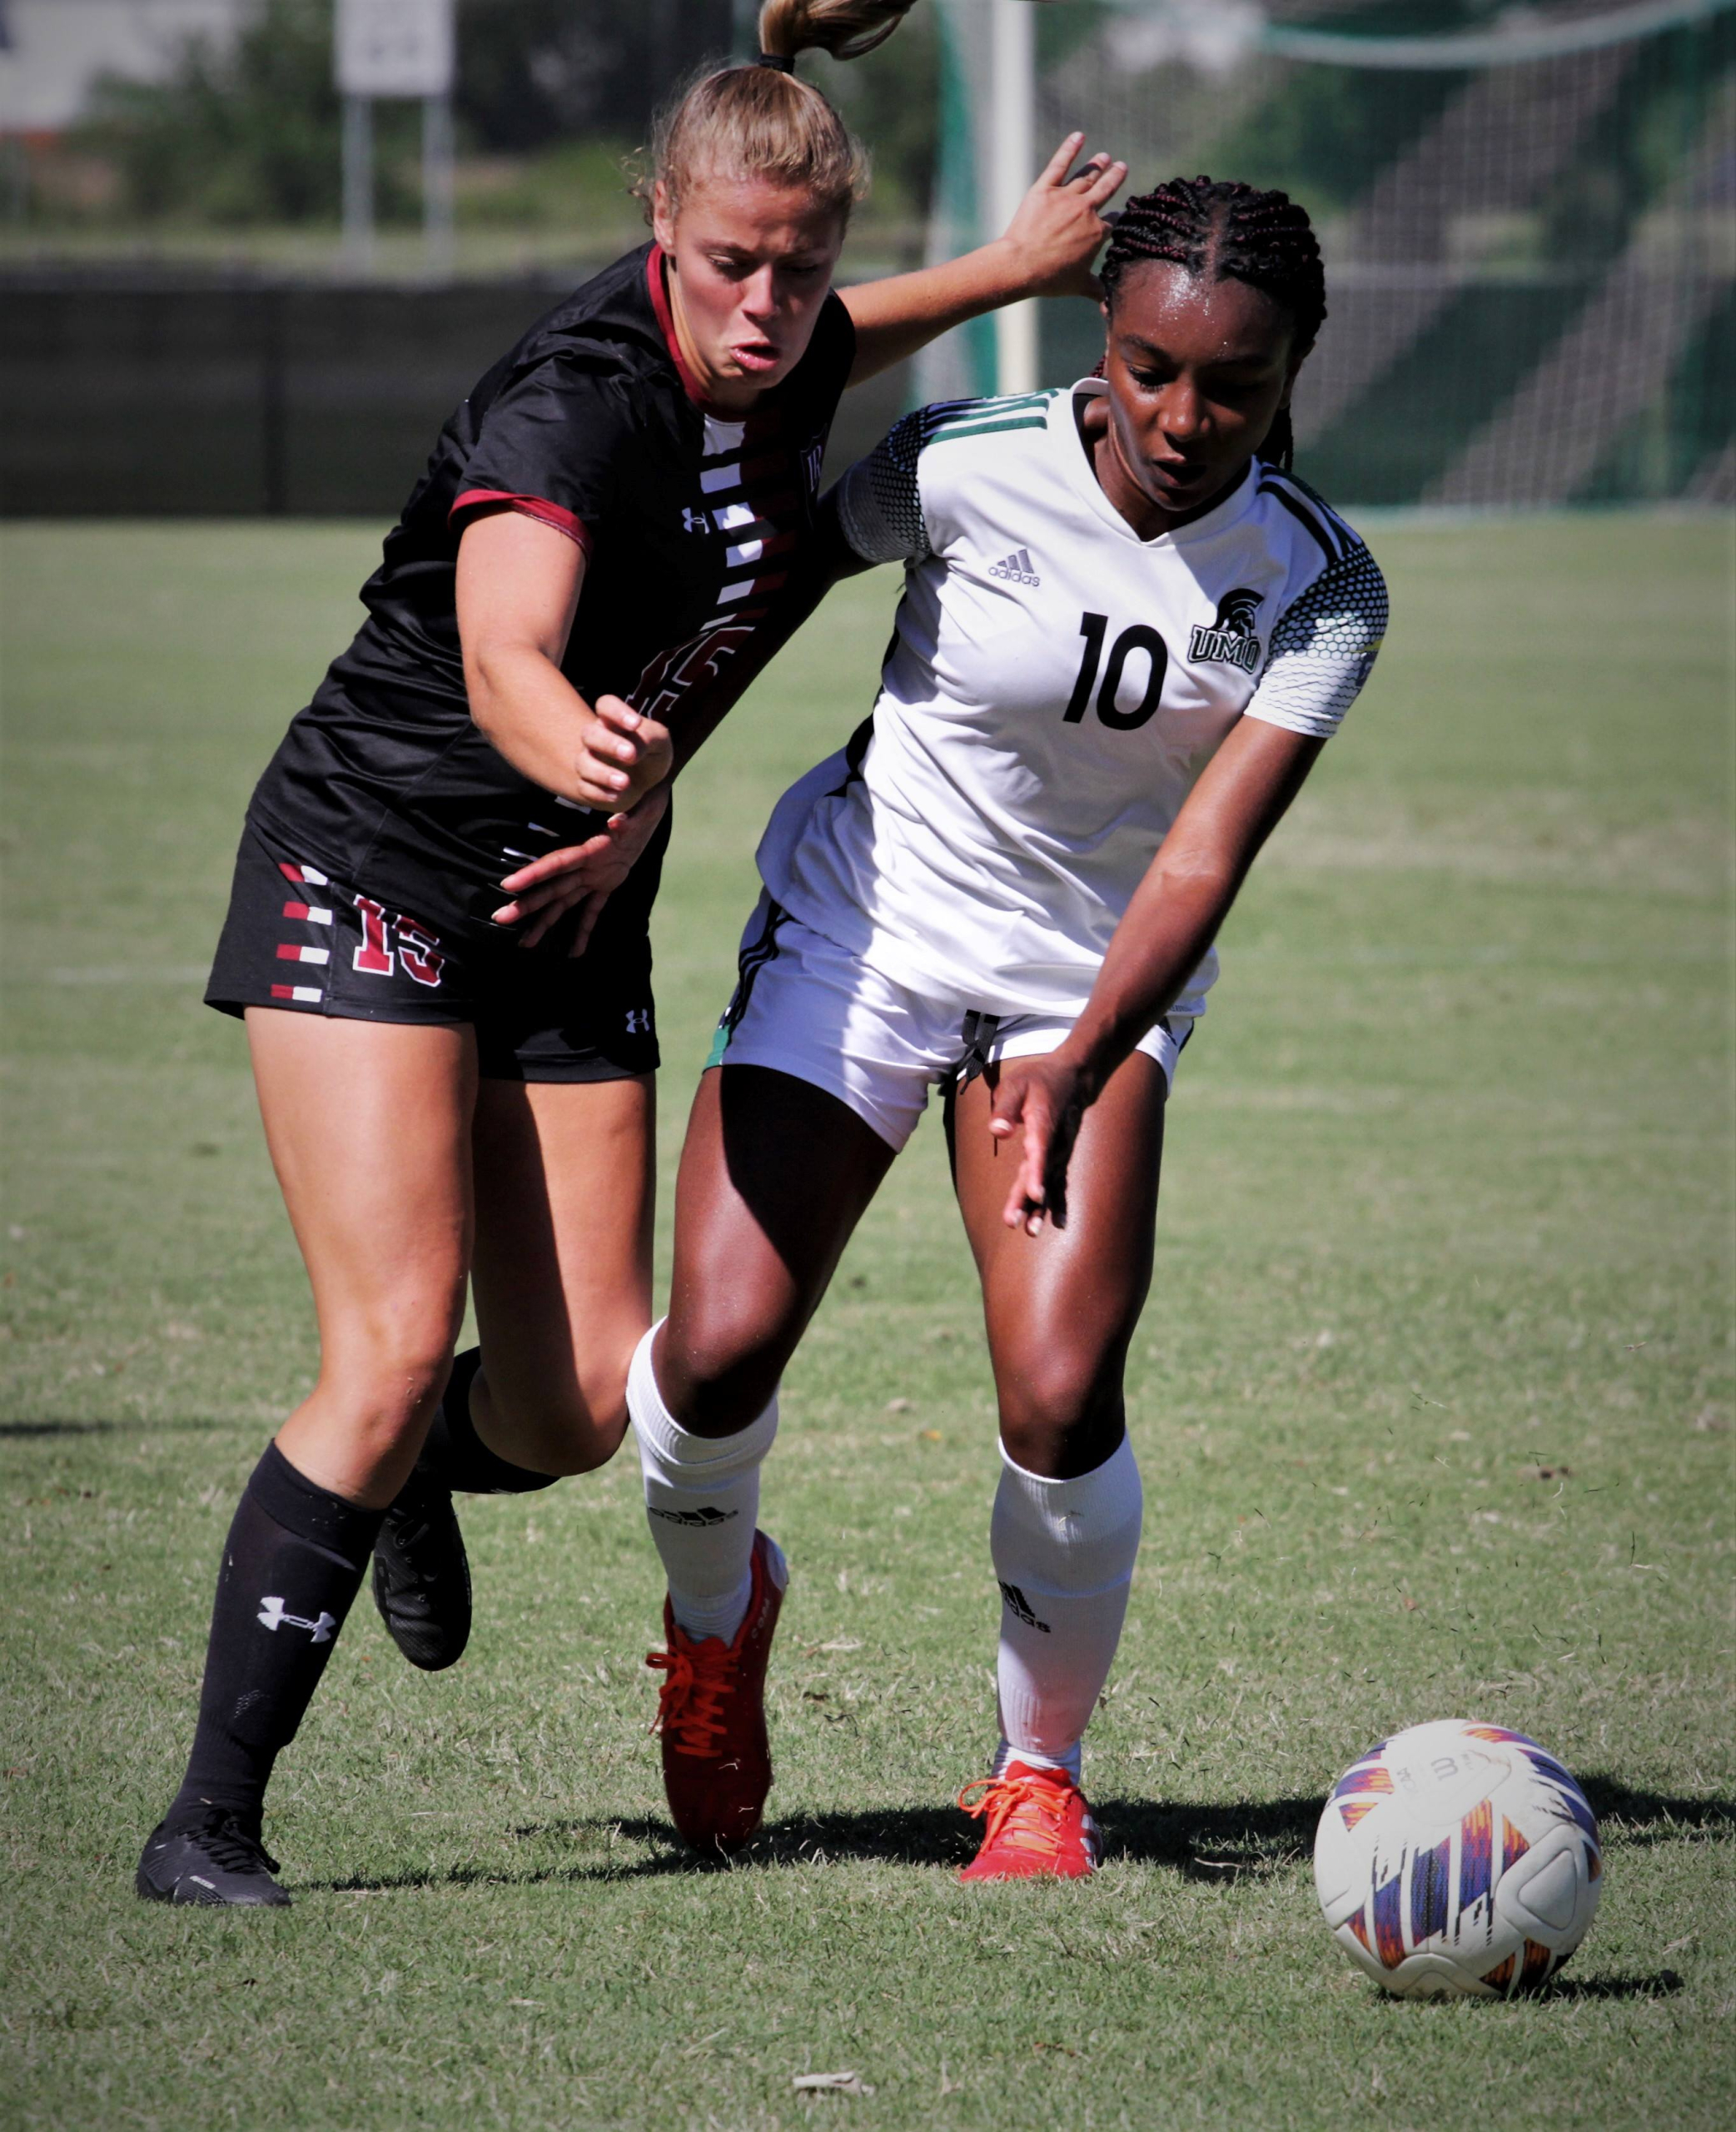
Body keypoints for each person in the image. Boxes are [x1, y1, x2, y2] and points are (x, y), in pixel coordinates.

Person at [135, 0, 1128, 1907]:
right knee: (389, 1334)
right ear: (654, 230)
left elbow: (852, 332)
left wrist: (1008, 268)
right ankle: (209, 1817)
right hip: (382, 865)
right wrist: (584, 747)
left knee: (590, 1402)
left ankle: (413, 1465)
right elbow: (511, 636)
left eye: (798, 265)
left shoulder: (787, 342)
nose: (766, 305)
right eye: (726, 264)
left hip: (572, 903)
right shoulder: (574, 398)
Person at [623, 176, 1389, 1876]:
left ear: (1292, 375)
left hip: (1086, 983)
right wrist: (641, 767)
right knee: (711, 1350)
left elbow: (1200, 851)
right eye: (1145, 367)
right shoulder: (960, 461)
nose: (1180, 416)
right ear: (1099, 345)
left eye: (1232, 387)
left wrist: (1079, 1056)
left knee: (1056, 1385)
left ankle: (1034, 1766)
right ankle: (713, 1614)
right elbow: (772, 592)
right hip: (867, 930)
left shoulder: (1323, 590)